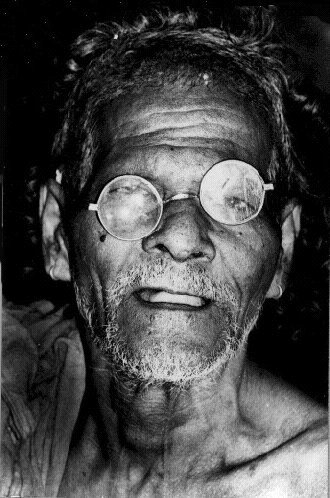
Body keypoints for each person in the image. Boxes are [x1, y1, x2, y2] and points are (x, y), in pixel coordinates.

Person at [2, 6, 328, 497]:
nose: (180, 239)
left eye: (234, 199)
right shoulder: (23, 425)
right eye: (130, 193)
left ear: (281, 250)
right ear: (57, 236)